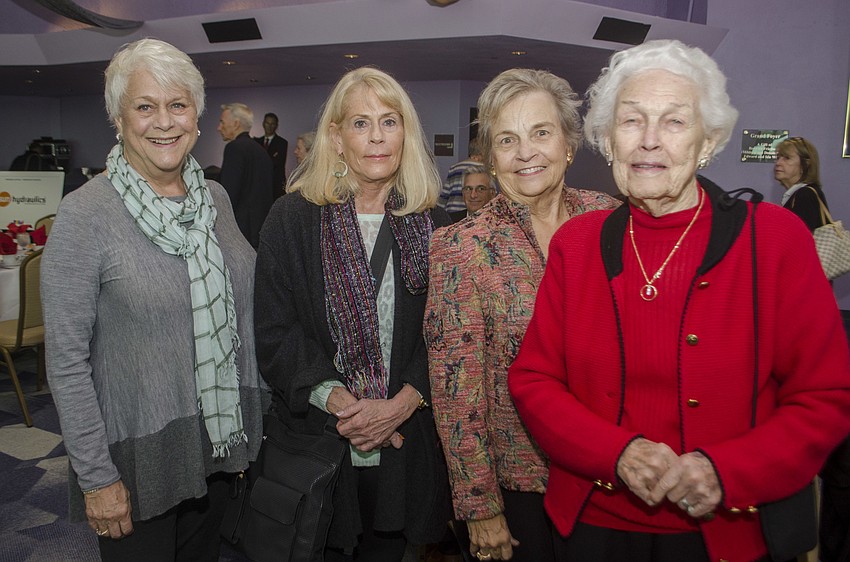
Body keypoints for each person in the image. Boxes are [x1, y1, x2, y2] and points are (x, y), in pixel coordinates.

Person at [507, 39, 850, 562]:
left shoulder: (775, 239)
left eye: (673, 121)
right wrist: (616, 453)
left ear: (707, 140)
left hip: (726, 532)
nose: (649, 141)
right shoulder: (577, 244)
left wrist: (725, 469)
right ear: (607, 139)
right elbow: (533, 380)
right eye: (631, 121)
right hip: (593, 528)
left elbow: (825, 395)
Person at [41, 38, 266, 562]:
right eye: (145, 107)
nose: (163, 122)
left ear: (196, 115)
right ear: (119, 119)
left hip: (217, 448)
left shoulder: (215, 200)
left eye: (178, 105)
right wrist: (96, 478)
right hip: (136, 465)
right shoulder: (86, 215)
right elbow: (67, 362)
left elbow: (247, 306)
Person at [254, 66, 452, 561]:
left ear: (406, 133)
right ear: (337, 138)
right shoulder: (291, 219)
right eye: (360, 123)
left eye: (390, 121)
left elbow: (447, 335)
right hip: (321, 445)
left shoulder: (438, 226)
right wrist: (345, 404)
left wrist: (401, 404)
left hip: (407, 444)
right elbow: (276, 333)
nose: (377, 137)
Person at [424, 68, 620, 562]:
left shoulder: (612, 221)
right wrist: (479, 505)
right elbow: (456, 387)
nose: (526, 152)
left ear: (569, 143)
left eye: (540, 132)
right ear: (490, 158)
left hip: (614, 474)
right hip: (520, 489)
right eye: (507, 140)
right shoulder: (461, 246)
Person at [217, 102, 274, 248]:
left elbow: (228, 195)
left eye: (222, 122)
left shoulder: (234, 148)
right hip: (260, 227)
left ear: (236, 124)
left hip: (239, 230)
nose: (219, 128)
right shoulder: (261, 151)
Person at [774, 136, 828, 232]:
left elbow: (799, 239)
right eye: (778, 157)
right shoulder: (802, 193)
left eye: (787, 158)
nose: (778, 162)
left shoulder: (805, 195)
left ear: (805, 164)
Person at [438, 138, 485, 213]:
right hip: (472, 212)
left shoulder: (454, 168)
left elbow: (444, 195)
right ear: (482, 153)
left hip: (452, 211)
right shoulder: (484, 170)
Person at [255, 111, 289, 197]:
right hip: (259, 185)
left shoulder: (282, 143)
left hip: (275, 185)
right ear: (263, 124)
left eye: (272, 124)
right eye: (267, 123)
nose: (269, 126)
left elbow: (278, 163)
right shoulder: (256, 142)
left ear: (276, 125)